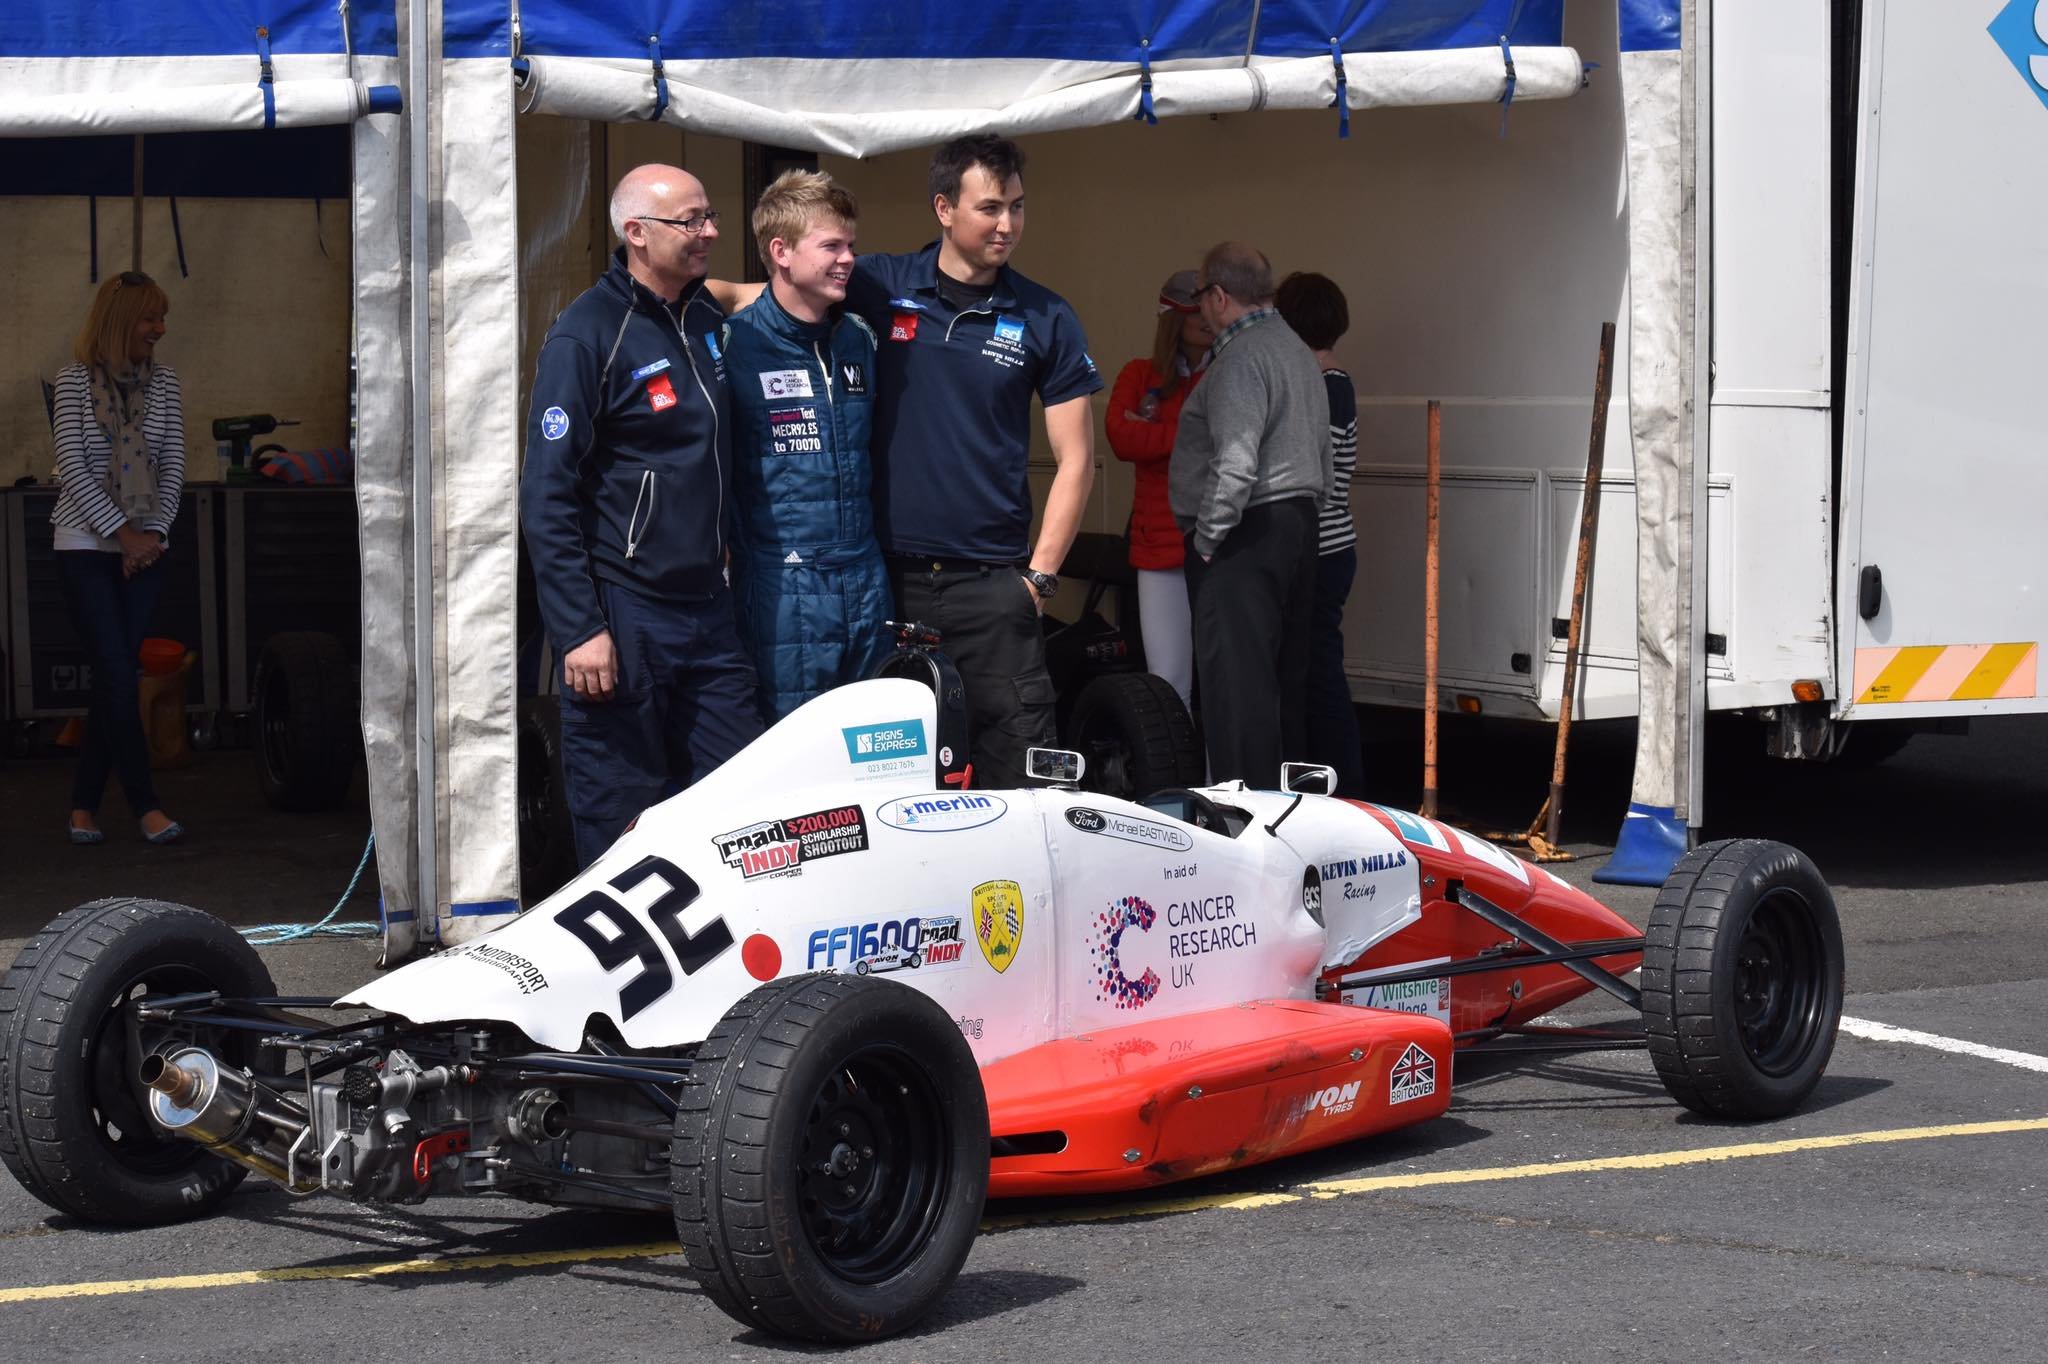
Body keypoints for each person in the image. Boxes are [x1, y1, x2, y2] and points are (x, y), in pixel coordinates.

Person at [710, 137, 1101, 789]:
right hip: (890, 586)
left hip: (993, 585)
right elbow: (769, 291)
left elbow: (1078, 459)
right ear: (944, 209)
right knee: (896, 778)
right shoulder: (880, 285)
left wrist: (1040, 580)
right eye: (990, 208)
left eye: (1018, 207)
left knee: (1019, 771)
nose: (1007, 224)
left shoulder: (1046, 316)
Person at [520, 164, 763, 869]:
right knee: (621, 816)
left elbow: (766, 294)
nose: (710, 232)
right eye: (691, 221)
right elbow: (546, 492)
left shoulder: (705, 316)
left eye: (710, 216)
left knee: (738, 803)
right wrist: (580, 629)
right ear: (636, 232)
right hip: (622, 613)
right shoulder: (587, 334)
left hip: (707, 611)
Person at [719, 170, 891, 719]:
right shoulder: (734, 343)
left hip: (866, 577)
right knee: (792, 755)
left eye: (851, 246)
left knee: (875, 749)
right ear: (781, 251)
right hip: (782, 582)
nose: (848, 259)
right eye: (832, 246)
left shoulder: (858, 339)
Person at [1169, 243, 1333, 787]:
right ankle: (1296, 817)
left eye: (1200, 297)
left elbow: (1235, 461)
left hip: (1245, 532)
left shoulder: (1240, 357)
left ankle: (1246, 823)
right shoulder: (1296, 350)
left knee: (1237, 693)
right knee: (1286, 684)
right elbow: (1322, 451)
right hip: (1298, 525)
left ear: (1218, 296)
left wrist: (1208, 538)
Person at [49, 270, 186, 845]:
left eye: (162, 318)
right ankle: (145, 807)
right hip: (84, 544)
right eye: (149, 317)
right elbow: (71, 466)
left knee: (114, 679)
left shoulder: (167, 384)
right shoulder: (73, 382)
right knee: (114, 673)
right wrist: (121, 534)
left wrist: (149, 534)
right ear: (118, 319)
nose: (159, 329)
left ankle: (82, 806)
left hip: (147, 546)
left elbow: (174, 465)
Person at [1275, 271, 1365, 796]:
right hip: (1333, 547)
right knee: (1313, 669)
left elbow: (1318, 477)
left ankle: (1344, 787)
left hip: (1319, 549)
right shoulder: (1334, 383)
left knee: (1318, 674)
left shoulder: (1326, 387)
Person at [1105, 269, 1211, 711]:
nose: (1207, 318)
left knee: (1221, 682)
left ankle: (1218, 782)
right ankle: (1178, 780)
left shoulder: (1229, 371)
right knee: (1168, 683)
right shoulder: (1138, 372)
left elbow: (1227, 444)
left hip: (1216, 545)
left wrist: (1158, 434)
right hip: (1157, 549)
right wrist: (1192, 435)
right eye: (1195, 312)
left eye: (1209, 308)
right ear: (1174, 318)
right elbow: (1120, 439)